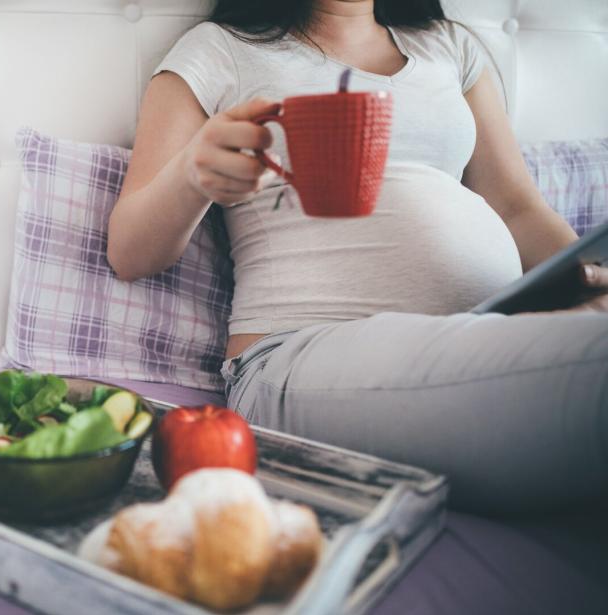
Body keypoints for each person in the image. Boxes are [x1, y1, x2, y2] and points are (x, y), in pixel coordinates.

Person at [107, 0, 608, 513]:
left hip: (483, 331)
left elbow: (519, 207)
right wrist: (193, 175)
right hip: (299, 354)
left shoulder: (449, 46)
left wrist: (593, 285)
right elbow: (129, 251)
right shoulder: (220, 51)